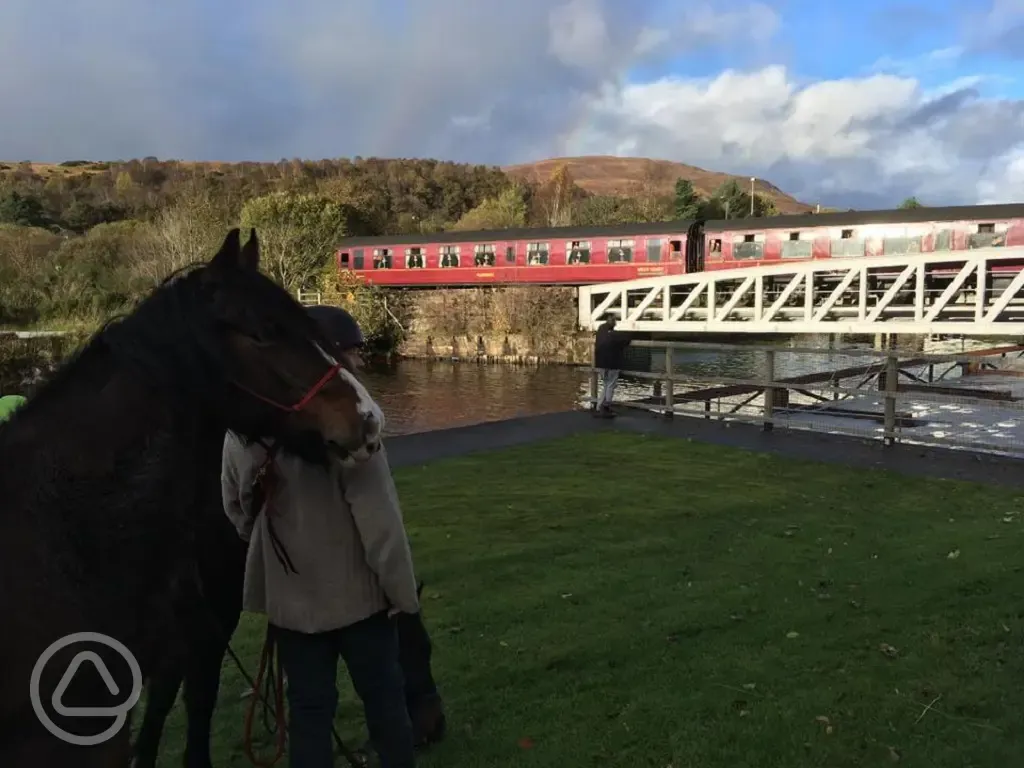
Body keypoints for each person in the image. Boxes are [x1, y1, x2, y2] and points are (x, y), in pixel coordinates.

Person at [221, 306, 421, 768]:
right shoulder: (353, 427)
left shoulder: (242, 433)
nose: (358, 363)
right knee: (385, 704)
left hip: (293, 608)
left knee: (309, 713)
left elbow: (238, 513)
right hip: (361, 602)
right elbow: (381, 525)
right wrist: (403, 595)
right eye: (351, 353)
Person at [593, 315, 630, 417]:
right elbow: (626, 339)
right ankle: (606, 406)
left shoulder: (600, 332)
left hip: (600, 364)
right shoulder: (615, 336)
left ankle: (599, 406)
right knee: (610, 385)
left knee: (605, 385)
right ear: (613, 323)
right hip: (612, 364)